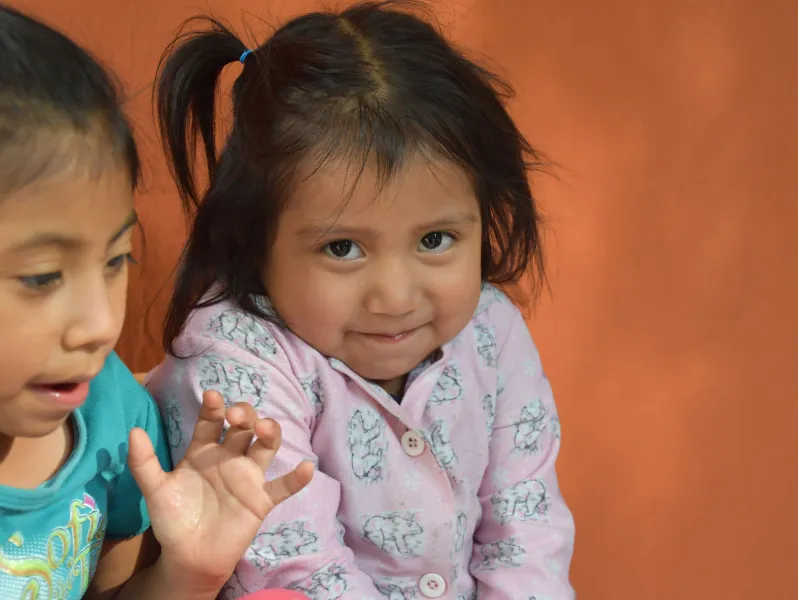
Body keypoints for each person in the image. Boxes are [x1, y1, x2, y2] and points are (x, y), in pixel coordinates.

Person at [147, 1, 575, 598]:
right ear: (252, 236)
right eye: (343, 248)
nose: (395, 297)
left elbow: (525, 523)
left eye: (435, 240)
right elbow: (297, 570)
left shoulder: (490, 328)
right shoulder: (234, 364)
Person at [0, 5, 313, 599]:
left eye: (115, 261)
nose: (99, 326)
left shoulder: (113, 418)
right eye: (42, 277)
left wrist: (190, 571)